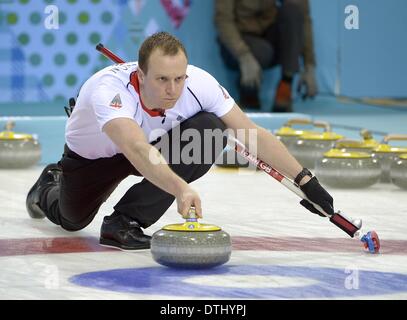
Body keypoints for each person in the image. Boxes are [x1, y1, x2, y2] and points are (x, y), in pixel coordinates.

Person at [26, 32, 332, 251]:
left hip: (153, 145)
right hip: (98, 156)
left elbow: (251, 133)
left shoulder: (199, 83)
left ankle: (124, 222)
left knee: (212, 129)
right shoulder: (110, 91)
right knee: (72, 221)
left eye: (179, 78)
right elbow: (135, 150)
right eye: (161, 80)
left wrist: (306, 181)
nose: (173, 89)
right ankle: (49, 185)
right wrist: (181, 189)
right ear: (141, 75)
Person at [214, 0, 318, 112]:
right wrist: (243, 56)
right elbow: (223, 20)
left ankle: (285, 87)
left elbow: (303, 16)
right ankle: (248, 89)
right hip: (239, 40)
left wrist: (309, 65)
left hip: (270, 35)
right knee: (262, 51)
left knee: (293, 11)